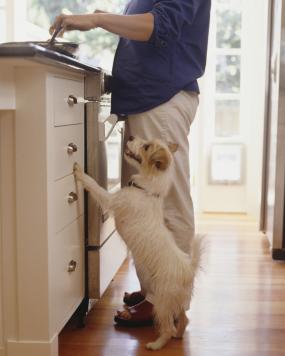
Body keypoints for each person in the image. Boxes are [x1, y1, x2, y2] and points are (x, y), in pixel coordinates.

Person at [51, 0, 211, 326]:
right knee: (145, 207)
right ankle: (155, 289)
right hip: (149, 97)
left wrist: (95, 19)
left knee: (168, 206)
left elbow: (156, 26)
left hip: (161, 98)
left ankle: (169, 300)